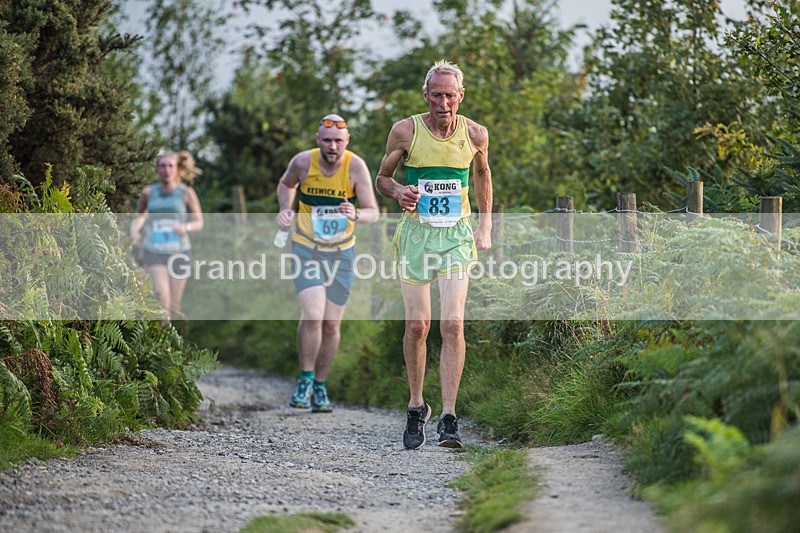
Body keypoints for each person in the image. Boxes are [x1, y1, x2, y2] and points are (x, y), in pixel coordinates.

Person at [375, 60, 493, 449]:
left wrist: (485, 225)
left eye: (450, 95)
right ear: (427, 96)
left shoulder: (475, 134)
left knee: (454, 325)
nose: (444, 103)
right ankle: (415, 406)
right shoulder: (405, 131)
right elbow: (383, 178)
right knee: (417, 326)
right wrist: (398, 192)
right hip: (416, 237)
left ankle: (449, 418)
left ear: (461, 96)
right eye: (436, 95)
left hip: (457, 236)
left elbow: (482, 174)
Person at [276, 114, 379, 413]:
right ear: (318, 140)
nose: (332, 146)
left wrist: (356, 214)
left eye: (338, 141)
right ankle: (305, 378)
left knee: (332, 325)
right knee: (312, 314)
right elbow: (286, 185)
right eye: (327, 140)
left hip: (342, 253)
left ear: (346, 142)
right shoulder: (302, 162)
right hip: (307, 248)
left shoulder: (355, 166)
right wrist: (286, 209)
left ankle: (320, 385)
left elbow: (373, 210)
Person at [131, 150, 204, 321]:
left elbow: (199, 222)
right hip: (154, 251)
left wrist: (185, 227)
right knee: (163, 301)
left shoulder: (186, 192)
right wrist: (134, 231)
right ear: (157, 170)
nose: (166, 170)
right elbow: (140, 216)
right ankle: (162, 344)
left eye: (170, 166)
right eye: (162, 166)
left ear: (177, 169)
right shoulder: (148, 192)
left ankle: (173, 343)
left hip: (180, 251)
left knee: (174, 306)